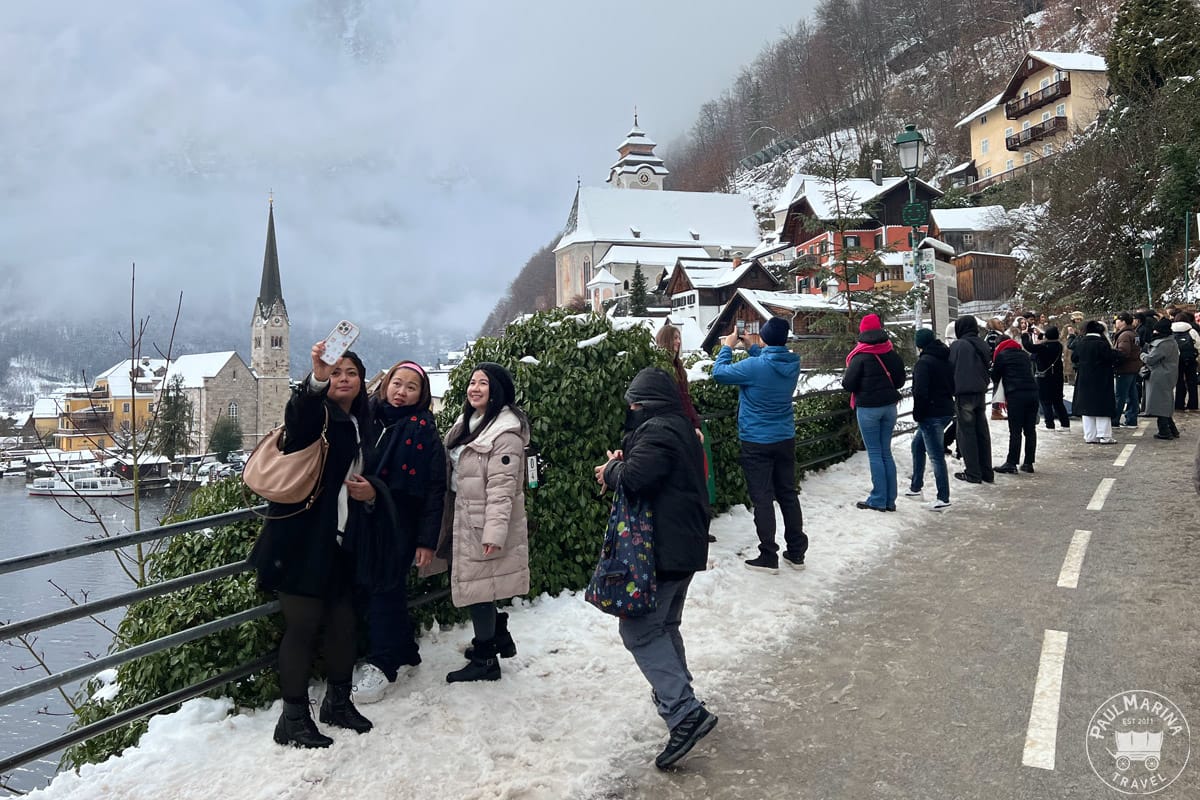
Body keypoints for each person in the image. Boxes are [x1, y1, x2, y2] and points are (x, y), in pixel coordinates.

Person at [248, 343, 385, 748]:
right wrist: (316, 379)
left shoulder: (363, 421)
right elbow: (299, 417)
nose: (343, 379)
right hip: (300, 543)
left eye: (351, 373)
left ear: (362, 382)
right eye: (337, 373)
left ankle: (337, 703)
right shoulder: (317, 414)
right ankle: (291, 719)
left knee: (344, 624)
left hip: (340, 543)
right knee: (303, 628)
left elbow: (366, 474)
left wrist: (371, 493)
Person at [593, 367, 715, 770]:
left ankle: (683, 711)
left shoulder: (659, 429)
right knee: (664, 626)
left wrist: (611, 471)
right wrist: (625, 458)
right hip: (682, 546)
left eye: (633, 403)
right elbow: (649, 467)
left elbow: (638, 478)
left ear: (644, 403)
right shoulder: (676, 426)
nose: (630, 409)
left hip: (663, 549)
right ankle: (679, 695)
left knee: (639, 629)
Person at [353, 360, 447, 704]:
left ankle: (383, 662)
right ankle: (406, 650)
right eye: (397, 383)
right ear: (386, 383)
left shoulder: (424, 430)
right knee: (380, 589)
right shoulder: (369, 416)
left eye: (412, 387)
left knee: (383, 590)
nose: (402, 392)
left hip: (400, 524)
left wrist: (426, 541)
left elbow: (434, 489)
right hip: (364, 519)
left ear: (422, 395)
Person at [438, 362, 531, 683]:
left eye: (483, 383)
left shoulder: (505, 434)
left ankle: (486, 658)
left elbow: (503, 490)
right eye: (472, 382)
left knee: (477, 588)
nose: (474, 388)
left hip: (480, 523)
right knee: (474, 584)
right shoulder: (470, 422)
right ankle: (497, 632)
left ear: (497, 391)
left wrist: (494, 532)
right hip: (461, 515)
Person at [711, 316, 807, 572]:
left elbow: (718, 373)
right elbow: (769, 363)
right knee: (787, 494)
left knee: (763, 498)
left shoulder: (754, 367)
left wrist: (728, 347)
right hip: (785, 437)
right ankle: (796, 552)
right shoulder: (792, 363)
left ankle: (768, 555)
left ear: (764, 338)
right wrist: (751, 347)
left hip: (756, 441)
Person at [842, 313, 906, 511]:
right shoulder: (891, 353)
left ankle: (878, 498)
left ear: (863, 332)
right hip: (889, 408)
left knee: (875, 453)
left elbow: (848, 384)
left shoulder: (860, 356)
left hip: (868, 409)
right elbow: (900, 382)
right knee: (886, 452)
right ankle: (890, 500)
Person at [656, 323, 717, 519]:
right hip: (675, 427)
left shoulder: (678, 367)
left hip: (686, 425)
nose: (678, 342)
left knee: (698, 471)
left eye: (679, 337)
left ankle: (699, 515)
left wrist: (695, 424)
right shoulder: (662, 368)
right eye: (674, 338)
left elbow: (686, 400)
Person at [905, 328, 953, 511]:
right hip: (946, 408)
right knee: (917, 445)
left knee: (936, 456)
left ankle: (943, 497)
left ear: (919, 345)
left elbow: (920, 391)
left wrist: (918, 413)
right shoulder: (945, 358)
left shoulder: (924, 363)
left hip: (931, 413)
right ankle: (916, 486)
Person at [948, 315, 995, 484]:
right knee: (982, 431)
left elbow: (950, 367)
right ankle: (986, 472)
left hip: (964, 393)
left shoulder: (959, 345)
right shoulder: (981, 343)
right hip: (980, 392)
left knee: (966, 433)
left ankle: (973, 473)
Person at [990, 338, 1038, 474]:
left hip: (1016, 395)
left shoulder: (1002, 355)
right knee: (1030, 430)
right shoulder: (1024, 354)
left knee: (1015, 431)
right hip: (1032, 393)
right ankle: (1028, 463)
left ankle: (1011, 462)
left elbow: (995, 377)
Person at [1070, 320, 1118, 444]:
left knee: (1087, 407)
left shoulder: (1081, 343)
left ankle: (1090, 436)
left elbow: (1074, 357)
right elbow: (1110, 358)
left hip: (1084, 378)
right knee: (1102, 406)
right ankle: (1104, 435)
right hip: (1101, 379)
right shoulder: (1102, 343)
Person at [1022, 325, 1070, 431]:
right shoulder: (1058, 346)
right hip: (1057, 377)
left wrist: (1025, 335)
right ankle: (1065, 424)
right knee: (1058, 401)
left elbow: (1028, 346)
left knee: (1045, 401)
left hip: (1044, 377)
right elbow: (1046, 341)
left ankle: (1050, 424)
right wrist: (1041, 335)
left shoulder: (1043, 347)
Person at [1143, 318, 1181, 439]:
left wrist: (1142, 354)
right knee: (1165, 401)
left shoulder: (1163, 344)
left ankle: (1165, 431)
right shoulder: (1171, 342)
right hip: (1168, 374)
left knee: (1160, 403)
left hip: (1160, 375)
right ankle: (1172, 429)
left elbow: (1151, 359)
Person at [1111, 313, 1142, 428]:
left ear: (1123, 321)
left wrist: (1114, 360)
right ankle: (1131, 419)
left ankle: (1115, 419)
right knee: (1132, 394)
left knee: (1120, 395)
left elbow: (1123, 352)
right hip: (1133, 367)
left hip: (1124, 368)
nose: (1116, 323)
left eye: (1117, 321)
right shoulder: (1134, 333)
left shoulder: (1124, 336)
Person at [1171, 310, 1200, 412]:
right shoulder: (1192, 331)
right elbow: (1198, 345)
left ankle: (1179, 404)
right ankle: (1193, 404)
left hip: (1176, 360)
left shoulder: (1171, 330)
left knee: (1179, 382)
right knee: (1192, 382)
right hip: (1190, 359)